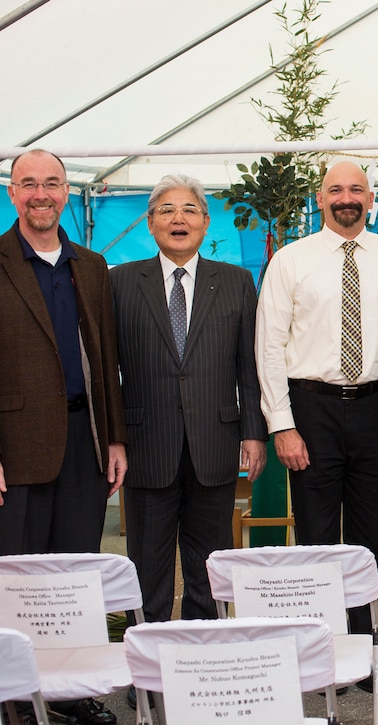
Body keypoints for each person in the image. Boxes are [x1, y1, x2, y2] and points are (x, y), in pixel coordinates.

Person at [255, 160, 378, 691]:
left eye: (356, 189)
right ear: (320, 198)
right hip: (312, 411)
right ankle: (322, 656)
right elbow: (270, 348)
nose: (346, 197)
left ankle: (365, 652)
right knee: (317, 544)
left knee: (375, 545)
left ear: (371, 198)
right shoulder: (290, 260)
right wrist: (283, 425)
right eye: (335, 190)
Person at [0, 149, 127, 725]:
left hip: (85, 441)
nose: (41, 194)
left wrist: (116, 440)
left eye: (52, 183)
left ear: (68, 191)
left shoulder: (92, 265)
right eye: (29, 184)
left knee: (77, 572)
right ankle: (18, 698)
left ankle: (74, 693)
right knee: (19, 574)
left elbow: (106, 361)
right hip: (16, 445)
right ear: (12, 194)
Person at [111, 174, 267, 626]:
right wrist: (112, 438)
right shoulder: (119, 282)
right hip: (146, 444)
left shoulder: (236, 282)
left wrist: (253, 434)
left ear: (205, 222)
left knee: (210, 564)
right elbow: (105, 368)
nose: (178, 219)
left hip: (214, 443)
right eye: (167, 210)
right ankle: (149, 667)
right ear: (150, 223)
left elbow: (248, 366)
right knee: (147, 566)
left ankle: (204, 657)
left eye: (189, 210)